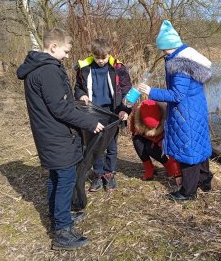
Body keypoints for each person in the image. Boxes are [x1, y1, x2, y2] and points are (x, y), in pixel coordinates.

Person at [17, 28, 104, 250]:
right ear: (53, 46)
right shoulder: (47, 71)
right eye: (65, 51)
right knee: (64, 180)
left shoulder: (39, 68)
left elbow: (60, 103)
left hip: (49, 134)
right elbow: (60, 109)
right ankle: (62, 233)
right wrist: (90, 122)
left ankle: (58, 216)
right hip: (56, 135)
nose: (67, 56)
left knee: (57, 177)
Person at [138, 20, 213, 201]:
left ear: (169, 46)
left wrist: (151, 92)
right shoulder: (188, 59)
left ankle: (188, 192)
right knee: (198, 145)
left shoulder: (179, 65)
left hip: (185, 113)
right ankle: (204, 180)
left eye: (163, 49)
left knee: (187, 151)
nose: (163, 53)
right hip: (195, 111)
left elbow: (177, 95)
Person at [74, 38, 132, 193]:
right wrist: (81, 95)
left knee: (111, 145)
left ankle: (109, 174)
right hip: (93, 111)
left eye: (104, 57)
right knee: (96, 144)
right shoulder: (84, 68)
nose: (100, 61)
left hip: (113, 112)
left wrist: (125, 110)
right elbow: (78, 87)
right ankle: (98, 174)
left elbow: (128, 90)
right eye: (97, 57)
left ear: (109, 54)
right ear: (92, 54)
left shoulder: (118, 67)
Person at [129, 99, 182, 183]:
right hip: (145, 136)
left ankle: (168, 166)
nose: (151, 129)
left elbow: (173, 151)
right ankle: (149, 168)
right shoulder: (137, 113)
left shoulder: (168, 117)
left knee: (150, 149)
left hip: (160, 139)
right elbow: (133, 129)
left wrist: (177, 173)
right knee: (136, 140)